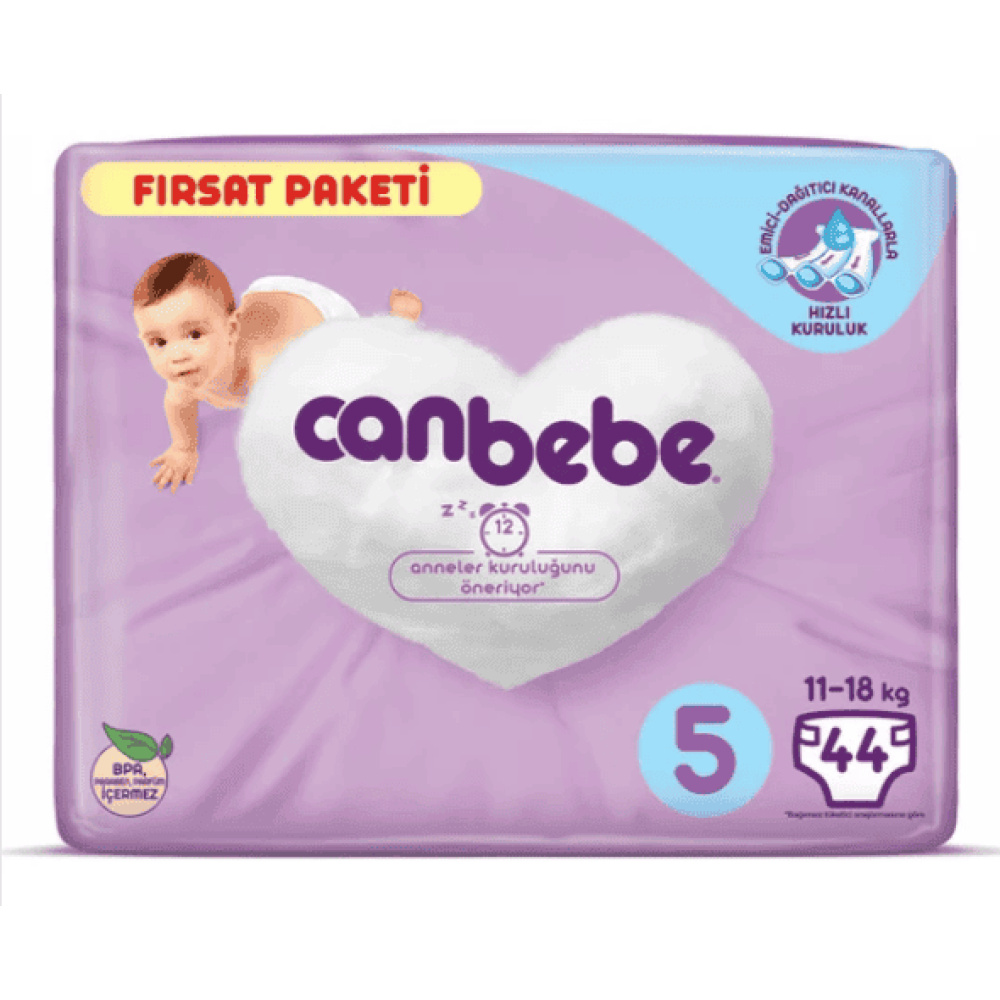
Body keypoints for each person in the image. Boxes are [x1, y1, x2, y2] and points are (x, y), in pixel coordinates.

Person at [133, 252, 422, 492]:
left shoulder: (270, 376)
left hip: (318, 315)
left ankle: (400, 321)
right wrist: (183, 449)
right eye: (159, 342)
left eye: (195, 335)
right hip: (264, 297)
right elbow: (177, 404)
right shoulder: (187, 374)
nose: (177, 356)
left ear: (231, 328)